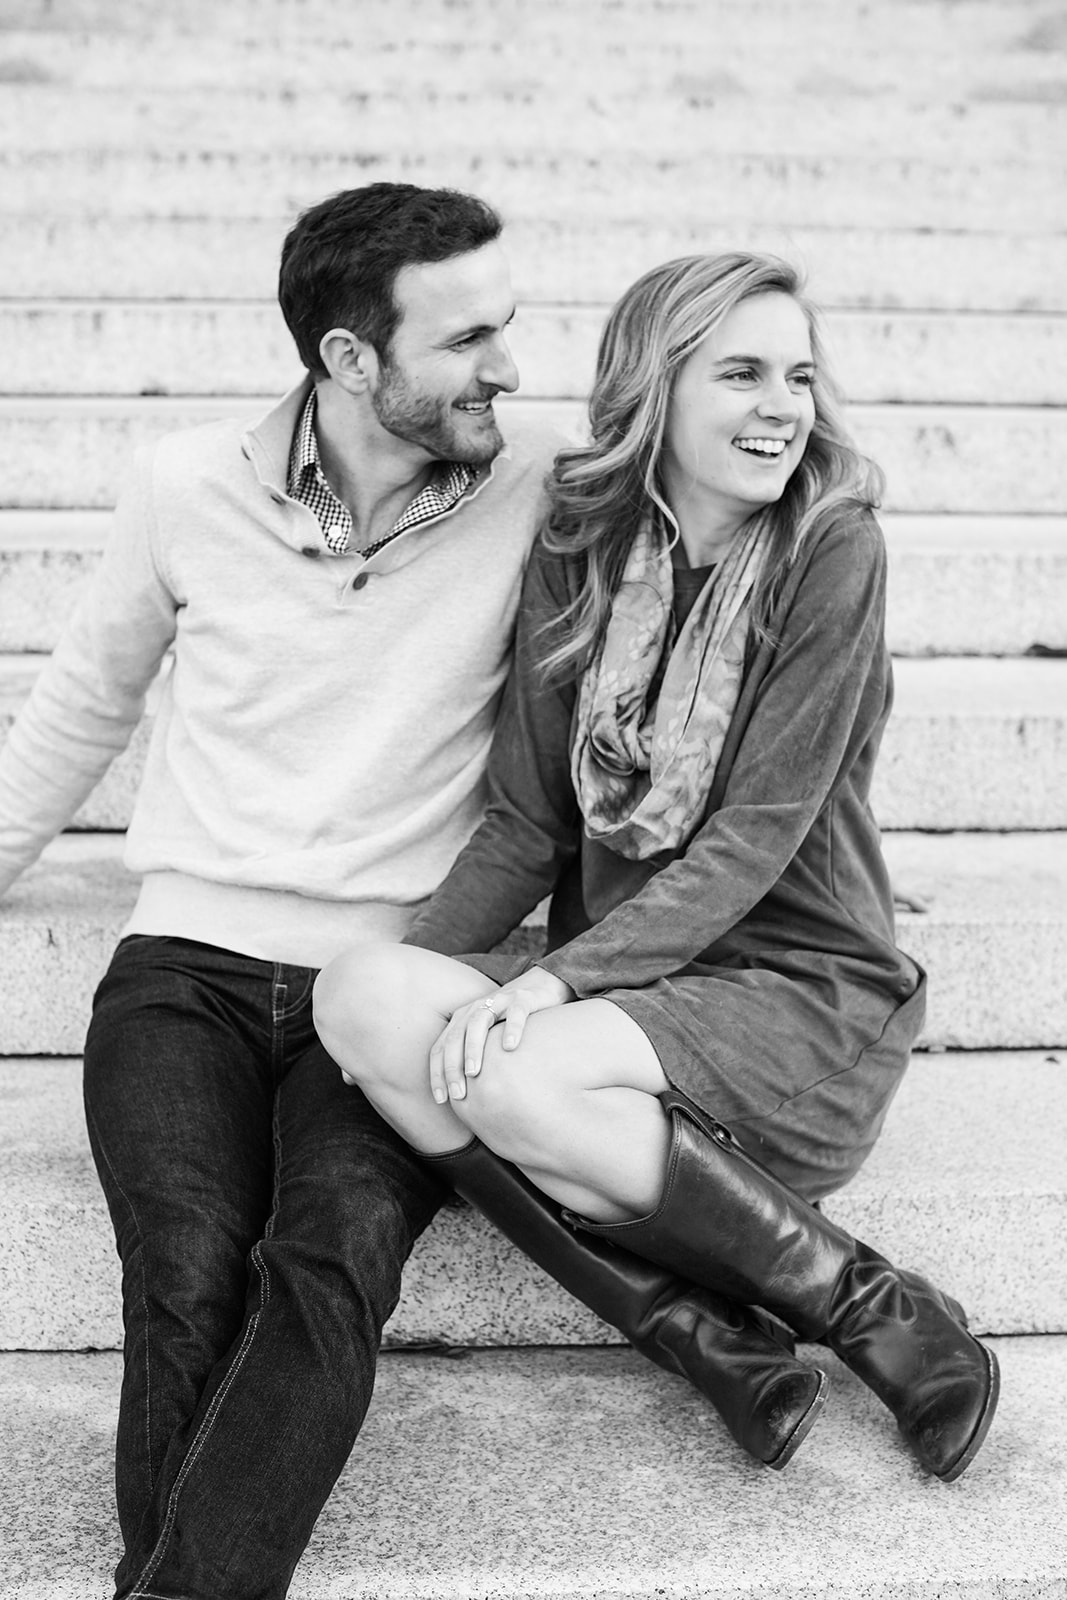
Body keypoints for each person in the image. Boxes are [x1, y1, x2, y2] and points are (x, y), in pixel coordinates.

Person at [314, 251, 1000, 1484]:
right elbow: (527, 824)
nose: (780, 406)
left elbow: (749, 842)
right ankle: (702, 1332)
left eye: (796, 375)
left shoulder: (828, 549)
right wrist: (403, 1005)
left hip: (794, 990)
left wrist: (549, 982)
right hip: (626, 995)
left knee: (511, 1069)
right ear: (655, 387)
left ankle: (876, 1308)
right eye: (740, 374)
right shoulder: (579, 543)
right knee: (359, 996)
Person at [0, 182, 565, 1599]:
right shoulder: (183, 484)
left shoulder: (542, 489)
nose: (505, 365)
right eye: (465, 338)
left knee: (334, 1251)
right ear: (348, 358)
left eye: (503, 325)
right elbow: (83, 703)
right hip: (182, 969)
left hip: (387, 990)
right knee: (185, 1269)